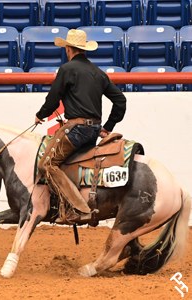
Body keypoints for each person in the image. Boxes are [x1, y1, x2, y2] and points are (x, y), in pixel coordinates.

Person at [35, 29, 126, 224]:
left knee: (47, 164)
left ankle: (79, 208)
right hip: (93, 131)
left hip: (75, 130)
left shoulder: (67, 69)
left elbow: (53, 99)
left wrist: (40, 115)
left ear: (68, 49)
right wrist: (107, 127)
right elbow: (120, 101)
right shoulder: (98, 73)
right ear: (83, 49)